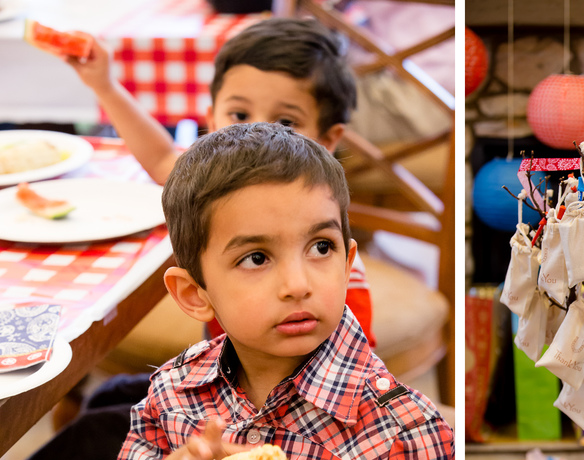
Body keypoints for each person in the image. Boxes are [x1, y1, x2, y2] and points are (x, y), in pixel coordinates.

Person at [0, 122, 455, 460]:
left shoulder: (401, 421)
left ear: (348, 258)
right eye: (257, 258)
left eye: (320, 247)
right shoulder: (178, 389)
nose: (297, 283)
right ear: (195, 293)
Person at [65, 16, 374, 341]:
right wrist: (105, 86)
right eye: (239, 115)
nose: (256, 131)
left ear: (328, 138)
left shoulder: (332, 284)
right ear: (211, 120)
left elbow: (356, 371)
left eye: (285, 121)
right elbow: (159, 159)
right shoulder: (220, 181)